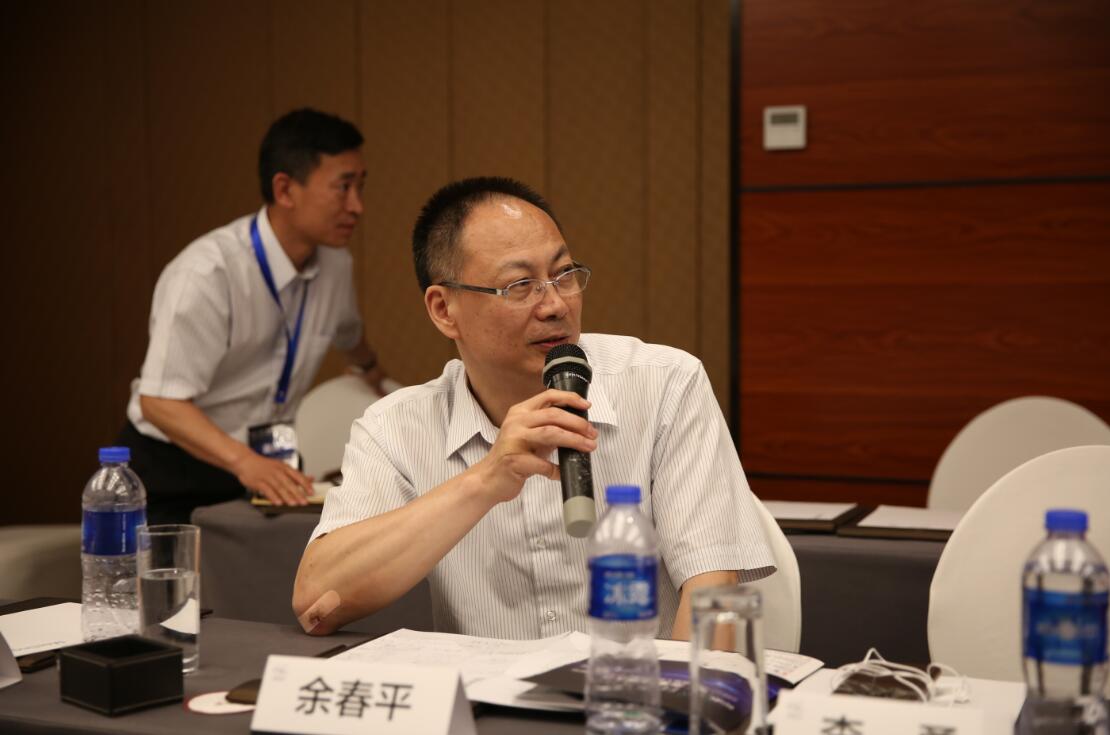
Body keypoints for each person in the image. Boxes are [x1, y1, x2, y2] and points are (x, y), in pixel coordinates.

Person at [293, 176, 773, 640]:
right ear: (443, 309)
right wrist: (484, 480)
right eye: (520, 285)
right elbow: (317, 600)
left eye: (564, 275)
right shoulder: (395, 427)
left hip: (632, 688)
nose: (555, 305)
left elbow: (714, 596)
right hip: (486, 697)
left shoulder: (664, 385)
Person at [119, 108, 388, 525]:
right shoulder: (207, 273)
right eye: (343, 187)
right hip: (177, 465)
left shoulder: (336, 265)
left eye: (360, 187)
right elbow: (159, 401)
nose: (357, 206)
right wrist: (245, 463)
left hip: (265, 459)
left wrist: (371, 372)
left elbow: (348, 333)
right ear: (285, 189)